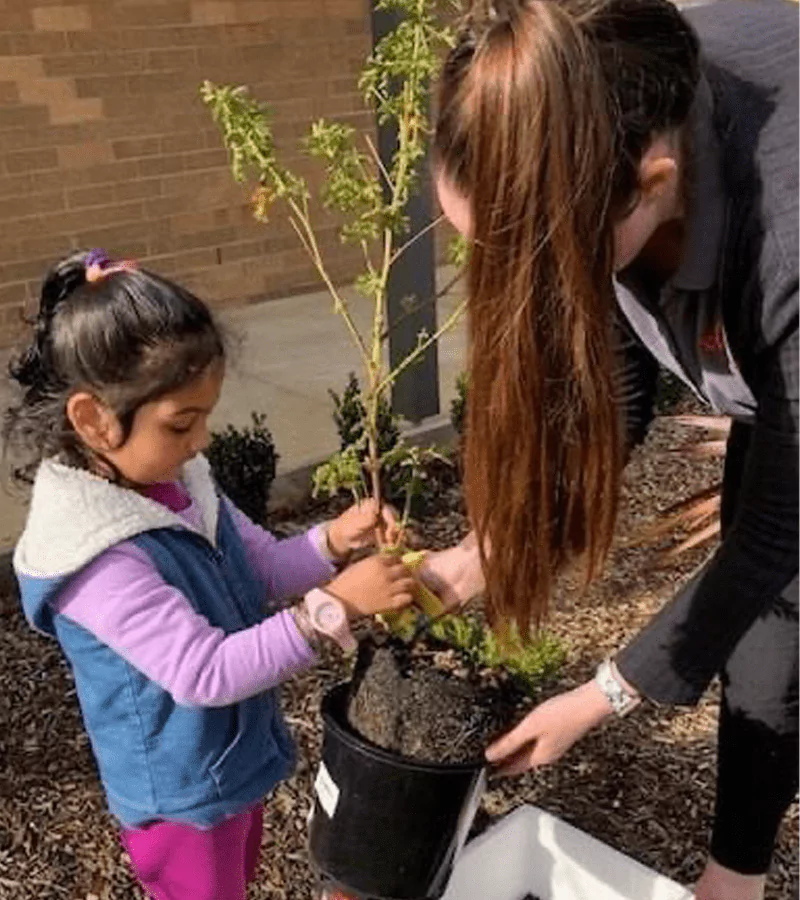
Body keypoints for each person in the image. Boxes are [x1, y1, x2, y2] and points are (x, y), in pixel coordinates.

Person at [418, 1, 798, 898]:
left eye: (543, 261)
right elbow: (623, 377)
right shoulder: (596, 110)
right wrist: (491, 551)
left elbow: (783, 531)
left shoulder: (784, 228)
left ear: (656, 180)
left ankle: (730, 880)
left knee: (780, 607)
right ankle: (735, 877)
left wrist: (604, 694)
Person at [4, 249, 416, 900]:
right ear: (92, 420)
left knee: (235, 879)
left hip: (226, 763)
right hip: (180, 796)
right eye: (180, 423)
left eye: (206, 416)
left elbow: (261, 565)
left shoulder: (176, 480)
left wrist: (333, 540)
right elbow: (204, 673)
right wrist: (334, 606)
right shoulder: (96, 556)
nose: (200, 441)